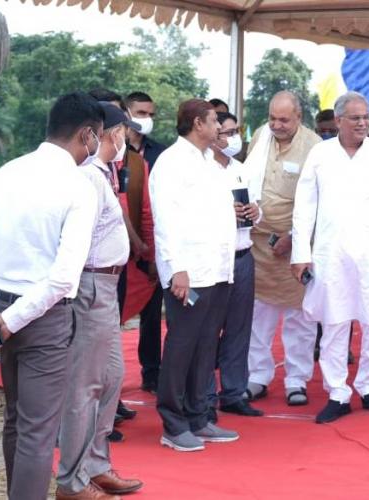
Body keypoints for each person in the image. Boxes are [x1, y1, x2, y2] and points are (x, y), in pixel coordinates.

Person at [0, 92, 100, 500]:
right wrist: (12, 318)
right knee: (37, 430)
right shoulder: (79, 186)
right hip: (41, 316)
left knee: (15, 421)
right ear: (87, 135)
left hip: (0, 309)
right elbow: (62, 278)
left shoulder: (7, 172)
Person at [292, 91, 369, 423]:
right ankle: (338, 392)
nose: (362, 123)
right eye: (355, 118)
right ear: (339, 120)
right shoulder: (320, 154)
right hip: (331, 253)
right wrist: (301, 254)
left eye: (365, 118)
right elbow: (304, 208)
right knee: (335, 322)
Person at [56, 102, 143, 500]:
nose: (126, 138)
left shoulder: (103, 174)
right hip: (91, 286)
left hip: (105, 287)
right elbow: (77, 240)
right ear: (113, 132)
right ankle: (72, 481)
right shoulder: (88, 178)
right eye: (124, 130)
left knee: (109, 381)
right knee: (85, 388)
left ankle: (95, 465)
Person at [149, 99, 239, 452]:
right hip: (189, 272)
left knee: (206, 345)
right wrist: (177, 270)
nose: (220, 127)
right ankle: (172, 422)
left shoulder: (209, 163)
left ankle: (198, 416)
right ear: (198, 123)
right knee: (182, 344)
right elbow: (166, 221)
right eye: (216, 121)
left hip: (216, 269)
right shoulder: (172, 162)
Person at [244, 91, 321, 406]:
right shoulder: (261, 136)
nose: (276, 125)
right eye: (272, 118)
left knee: (298, 319)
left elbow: (320, 202)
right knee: (257, 316)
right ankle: (257, 377)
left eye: (284, 120)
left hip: (295, 246)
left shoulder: (315, 147)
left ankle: (296, 380)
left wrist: (293, 237)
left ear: (299, 118)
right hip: (258, 243)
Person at [206, 111, 264, 418]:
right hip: (215, 258)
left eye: (235, 131)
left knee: (239, 328)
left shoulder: (242, 169)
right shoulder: (202, 170)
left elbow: (258, 206)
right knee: (207, 328)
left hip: (243, 254)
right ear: (212, 135)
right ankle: (204, 394)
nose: (233, 137)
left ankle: (233, 392)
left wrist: (257, 212)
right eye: (226, 132)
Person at [125, 91, 167, 394]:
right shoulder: (114, 152)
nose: (147, 120)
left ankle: (152, 372)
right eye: (141, 113)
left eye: (151, 114)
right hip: (123, 248)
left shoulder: (160, 153)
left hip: (154, 243)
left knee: (152, 315)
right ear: (126, 114)